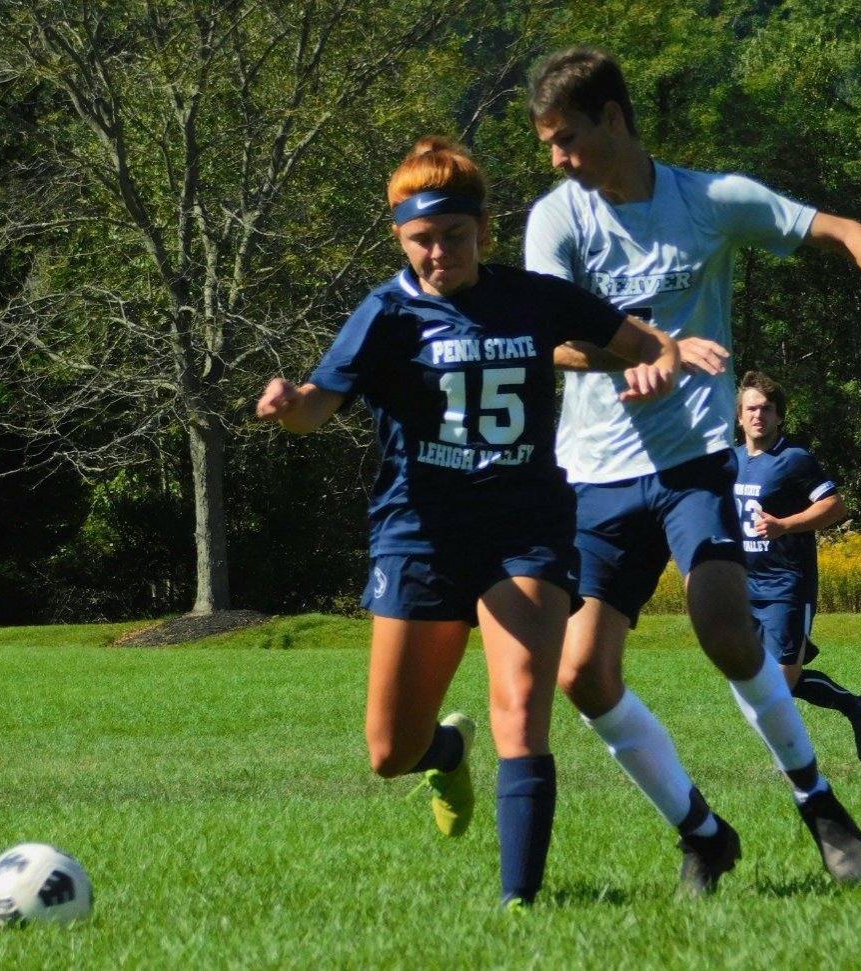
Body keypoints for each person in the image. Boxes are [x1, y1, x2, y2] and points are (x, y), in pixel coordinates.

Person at [524, 46, 861, 889]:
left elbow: (844, 230)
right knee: (584, 675)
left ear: (614, 120)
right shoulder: (559, 219)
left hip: (693, 459)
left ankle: (819, 802)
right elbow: (549, 337)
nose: (557, 158)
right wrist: (641, 349)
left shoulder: (711, 200)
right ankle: (702, 831)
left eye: (567, 138)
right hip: (594, 472)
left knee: (727, 627)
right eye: (550, 144)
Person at [256, 137, 679, 908]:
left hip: (527, 525)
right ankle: (448, 751)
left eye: (454, 235)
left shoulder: (532, 297)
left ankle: (521, 904)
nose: (438, 252)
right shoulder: (387, 311)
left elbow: (637, 339)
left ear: (484, 228)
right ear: (399, 236)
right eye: (421, 239)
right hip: (419, 533)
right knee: (390, 751)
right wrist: (289, 408)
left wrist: (654, 358)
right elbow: (319, 405)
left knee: (521, 707)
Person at [733, 371, 861, 762]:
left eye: (767, 409)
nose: (758, 415)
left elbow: (835, 506)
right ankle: (856, 706)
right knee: (765, 681)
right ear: (739, 416)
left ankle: (808, 757)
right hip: (744, 584)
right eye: (751, 408)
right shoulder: (731, 460)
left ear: (780, 416)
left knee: (780, 684)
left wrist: (784, 525)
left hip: (786, 584)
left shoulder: (794, 459)